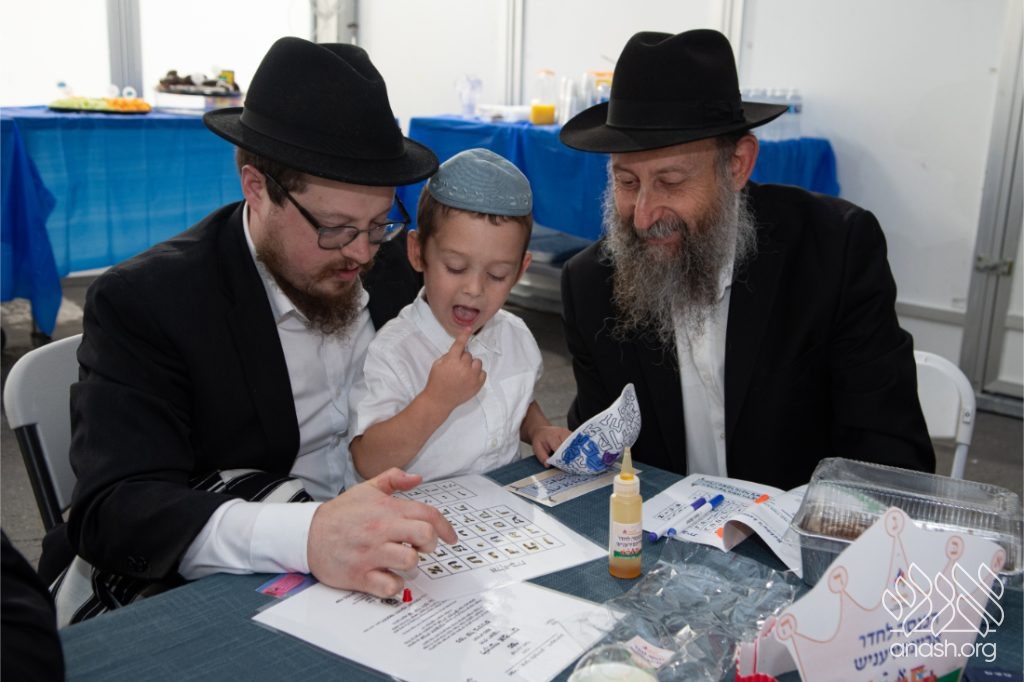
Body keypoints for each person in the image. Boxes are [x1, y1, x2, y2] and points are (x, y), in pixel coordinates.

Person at [40, 37, 457, 625]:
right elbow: (115, 509)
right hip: (226, 581)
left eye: (378, 224)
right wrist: (306, 533)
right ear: (257, 188)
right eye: (336, 228)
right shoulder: (151, 302)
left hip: (373, 557)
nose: (362, 253)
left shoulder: (388, 264)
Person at [557, 29, 935, 490]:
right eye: (627, 182)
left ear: (737, 164)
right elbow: (599, 465)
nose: (642, 216)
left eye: (671, 182)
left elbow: (890, 459)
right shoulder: (590, 284)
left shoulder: (834, 251)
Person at [349, 148, 571, 482]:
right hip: (416, 509)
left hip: (501, 505)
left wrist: (538, 428)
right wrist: (435, 401)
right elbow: (368, 461)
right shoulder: (394, 352)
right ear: (418, 253)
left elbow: (519, 401)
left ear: (520, 270)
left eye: (497, 274)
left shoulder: (515, 335)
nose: (474, 288)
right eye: (455, 267)